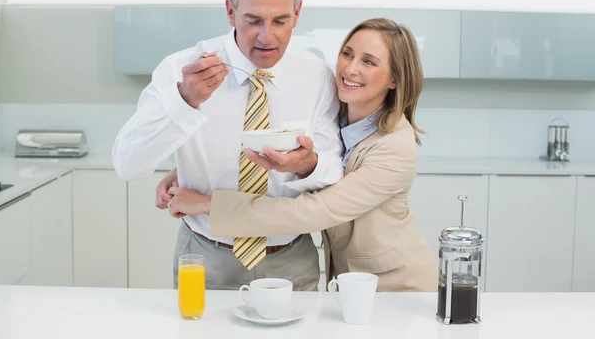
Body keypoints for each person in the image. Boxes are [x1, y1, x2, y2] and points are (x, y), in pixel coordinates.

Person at [112, 0, 344, 291]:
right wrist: (184, 102)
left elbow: (332, 173)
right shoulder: (182, 70)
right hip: (205, 256)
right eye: (253, 20)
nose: (267, 37)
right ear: (230, 11)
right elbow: (127, 165)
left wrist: (308, 164)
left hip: (291, 258)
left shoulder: (316, 76)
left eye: (280, 20)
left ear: (297, 13)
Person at [163, 18, 439, 292]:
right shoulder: (340, 112)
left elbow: (311, 211)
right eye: (347, 54)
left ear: (394, 78)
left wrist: (208, 203)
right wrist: (188, 173)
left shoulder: (395, 149)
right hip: (351, 283)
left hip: (395, 286)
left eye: (369, 62)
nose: (350, 69)